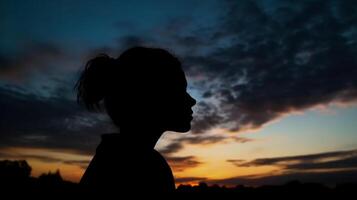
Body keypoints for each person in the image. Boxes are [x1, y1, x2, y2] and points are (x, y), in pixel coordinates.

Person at [76, 46, 196, 194]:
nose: (192, 100)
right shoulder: (145, 167)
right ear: (149, 96)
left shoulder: (114, 158)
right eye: (180, 91)